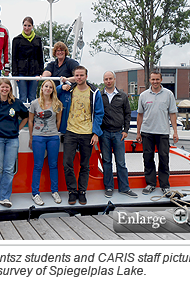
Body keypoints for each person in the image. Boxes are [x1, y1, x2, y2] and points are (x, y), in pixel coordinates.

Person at [56, 66, 104, 205]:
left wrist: (96, 133)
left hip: (87, 133)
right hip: (70, 131)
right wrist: (62, 87)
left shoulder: (94, 92)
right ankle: (72, 191)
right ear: (74, 77)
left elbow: (99, 113)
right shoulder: (69, 89)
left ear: (86, 76)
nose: (79, 78)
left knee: (85, 165)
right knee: (67, 164)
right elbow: (54, 92)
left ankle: (82, 191)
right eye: (77, 75)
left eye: (81, 75)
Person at [0, 78, 29, 207]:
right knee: (0, 168)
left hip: (12, 139)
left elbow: (26, 116)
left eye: (7, 87)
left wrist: (18, 128)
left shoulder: (16, 103)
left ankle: (4, 197)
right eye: (2, 87)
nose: (4, 89)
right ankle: (4, 196)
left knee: (8, 169)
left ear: (10, 89)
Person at [136, 71, 179, 196]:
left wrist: (175, 132)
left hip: (163, 132)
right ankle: (150, 184)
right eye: (153, 79)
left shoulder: (168, 94)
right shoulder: (143, 95)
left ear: (161, 80)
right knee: (148, 158)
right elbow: (140, 114)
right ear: (150, 80)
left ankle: (165, 185)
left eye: (157, 79)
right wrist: (138, 133)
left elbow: (172, 114)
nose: (155, 82)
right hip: (147, 132)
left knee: (164, 159)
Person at [100, 71, 138, 198]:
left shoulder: (122, 95)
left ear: (114, 79)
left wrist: (126, 130)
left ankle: (124, 188)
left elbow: (127, 113)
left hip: (118, 133)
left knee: (121, 162)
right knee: (106, 161)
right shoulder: (100, 95)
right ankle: (109, 187)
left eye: (110, 78)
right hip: (104, 133)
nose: (108, 81)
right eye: (106, 79)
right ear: (103, 80)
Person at [28, 80, 63, 205]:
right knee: (38, 165)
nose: (48, 88)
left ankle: (54, 191)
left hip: (53, 137)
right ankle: (35, 193)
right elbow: (30, 121)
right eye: (46, 86)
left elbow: (58, 121)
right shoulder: (34, 103)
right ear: (42, 88)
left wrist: (53, 132)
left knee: (53, 165)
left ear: (53, 90)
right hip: (38, 137)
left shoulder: (58, 104)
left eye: (50, 87)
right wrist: (31, 137)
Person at [12, 16, 44, 103]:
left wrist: (41, 73)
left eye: (29, 26)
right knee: (22, 96)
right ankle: (23, 116)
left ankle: (32, 116)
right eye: (25, 25)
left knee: (32, 97)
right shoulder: (16, 40)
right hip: (21, 72)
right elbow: (14, 58)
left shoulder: (38, 39)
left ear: (32, 26)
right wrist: (15, 74)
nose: (27, 28)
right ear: (22, 26)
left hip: (34, 72)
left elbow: (40, 57)